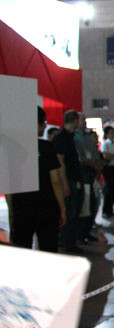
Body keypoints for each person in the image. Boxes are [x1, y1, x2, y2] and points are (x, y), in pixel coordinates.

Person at [4, 106, 65, 252]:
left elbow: (8, 184)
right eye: (43, 122)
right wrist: (62, 207)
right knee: (48, 249)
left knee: (22, 250)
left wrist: (12, 211)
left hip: (22, 208)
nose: (45, 125)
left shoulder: (11, 148)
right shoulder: (47, 147)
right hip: (47, 207)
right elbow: (55, 180)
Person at [52, 109, 83, 253]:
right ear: (75, 121)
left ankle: (69, 240)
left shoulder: (68, 137)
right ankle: (67, 241)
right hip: (68, 179)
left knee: (73, 211)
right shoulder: (62, 137)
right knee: (69, 212)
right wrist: (64, 183)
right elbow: (60, 162)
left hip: (72, 178)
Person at [74, 114, 102, 241]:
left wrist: (96, 166)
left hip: (91, 176)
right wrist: (93, 164)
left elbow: (94, 154)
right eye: (82, 120)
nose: (84, 122)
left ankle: (86, 231)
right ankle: (79, 234)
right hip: (83, 176)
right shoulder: (75, 137)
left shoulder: (87, 137)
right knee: (84, 207)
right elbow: (83, 158)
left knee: (91, 205)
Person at [100, 126, 114, 218]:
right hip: (108, 169)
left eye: (113, 133)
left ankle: (110, 210)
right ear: (106, 134)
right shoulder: (105, 144)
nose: (113, 135)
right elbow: (105, 156)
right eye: (111, 133)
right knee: (108, 190)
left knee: (113, 190)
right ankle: (106, 210)